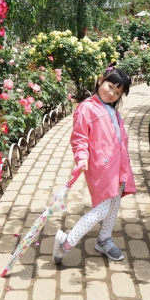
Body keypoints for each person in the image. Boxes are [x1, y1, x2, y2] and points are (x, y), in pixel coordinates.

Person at [53, 68, 136, 264]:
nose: (112, 93)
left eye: (117, 92)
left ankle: (104, 239)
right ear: (101, 81)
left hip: (118, 166)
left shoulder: (113, 112)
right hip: (102, 167)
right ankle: (66, 243)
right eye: (110, 86)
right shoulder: (87, 108)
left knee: (114, 203)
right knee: (103, 208)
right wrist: (82, 157)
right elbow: (79, 137)